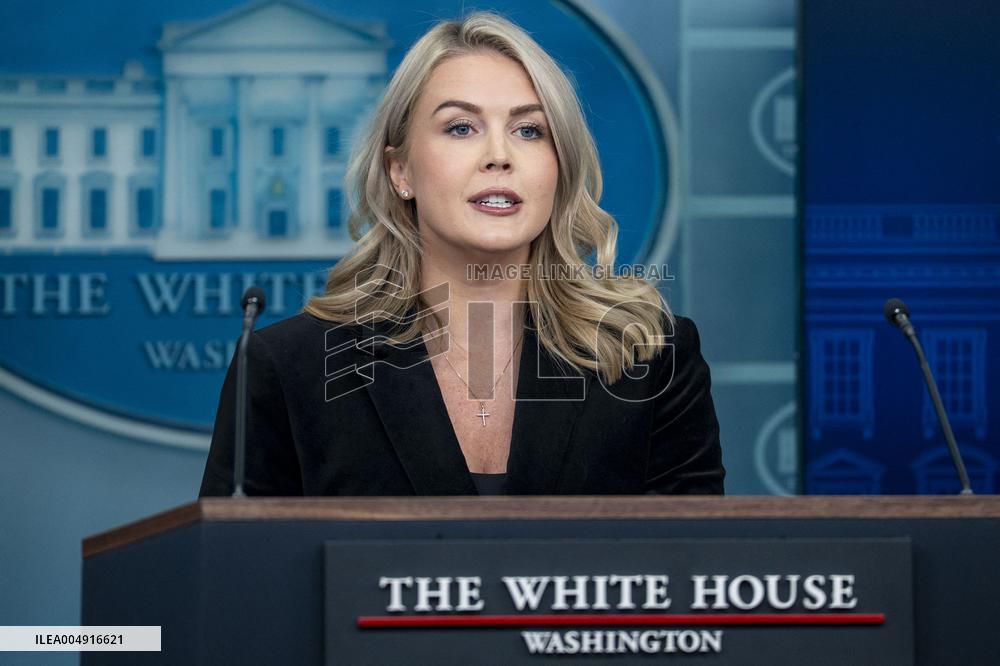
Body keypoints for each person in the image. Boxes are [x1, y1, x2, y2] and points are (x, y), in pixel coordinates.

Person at [199, 11, 724, 497]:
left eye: (529, 130)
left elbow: (695, 571)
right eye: (461, 128)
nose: (499, 156)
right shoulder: (289, 369)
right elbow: (238, 578)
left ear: (558, 168)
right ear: (399, 172)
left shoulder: (649, 357)